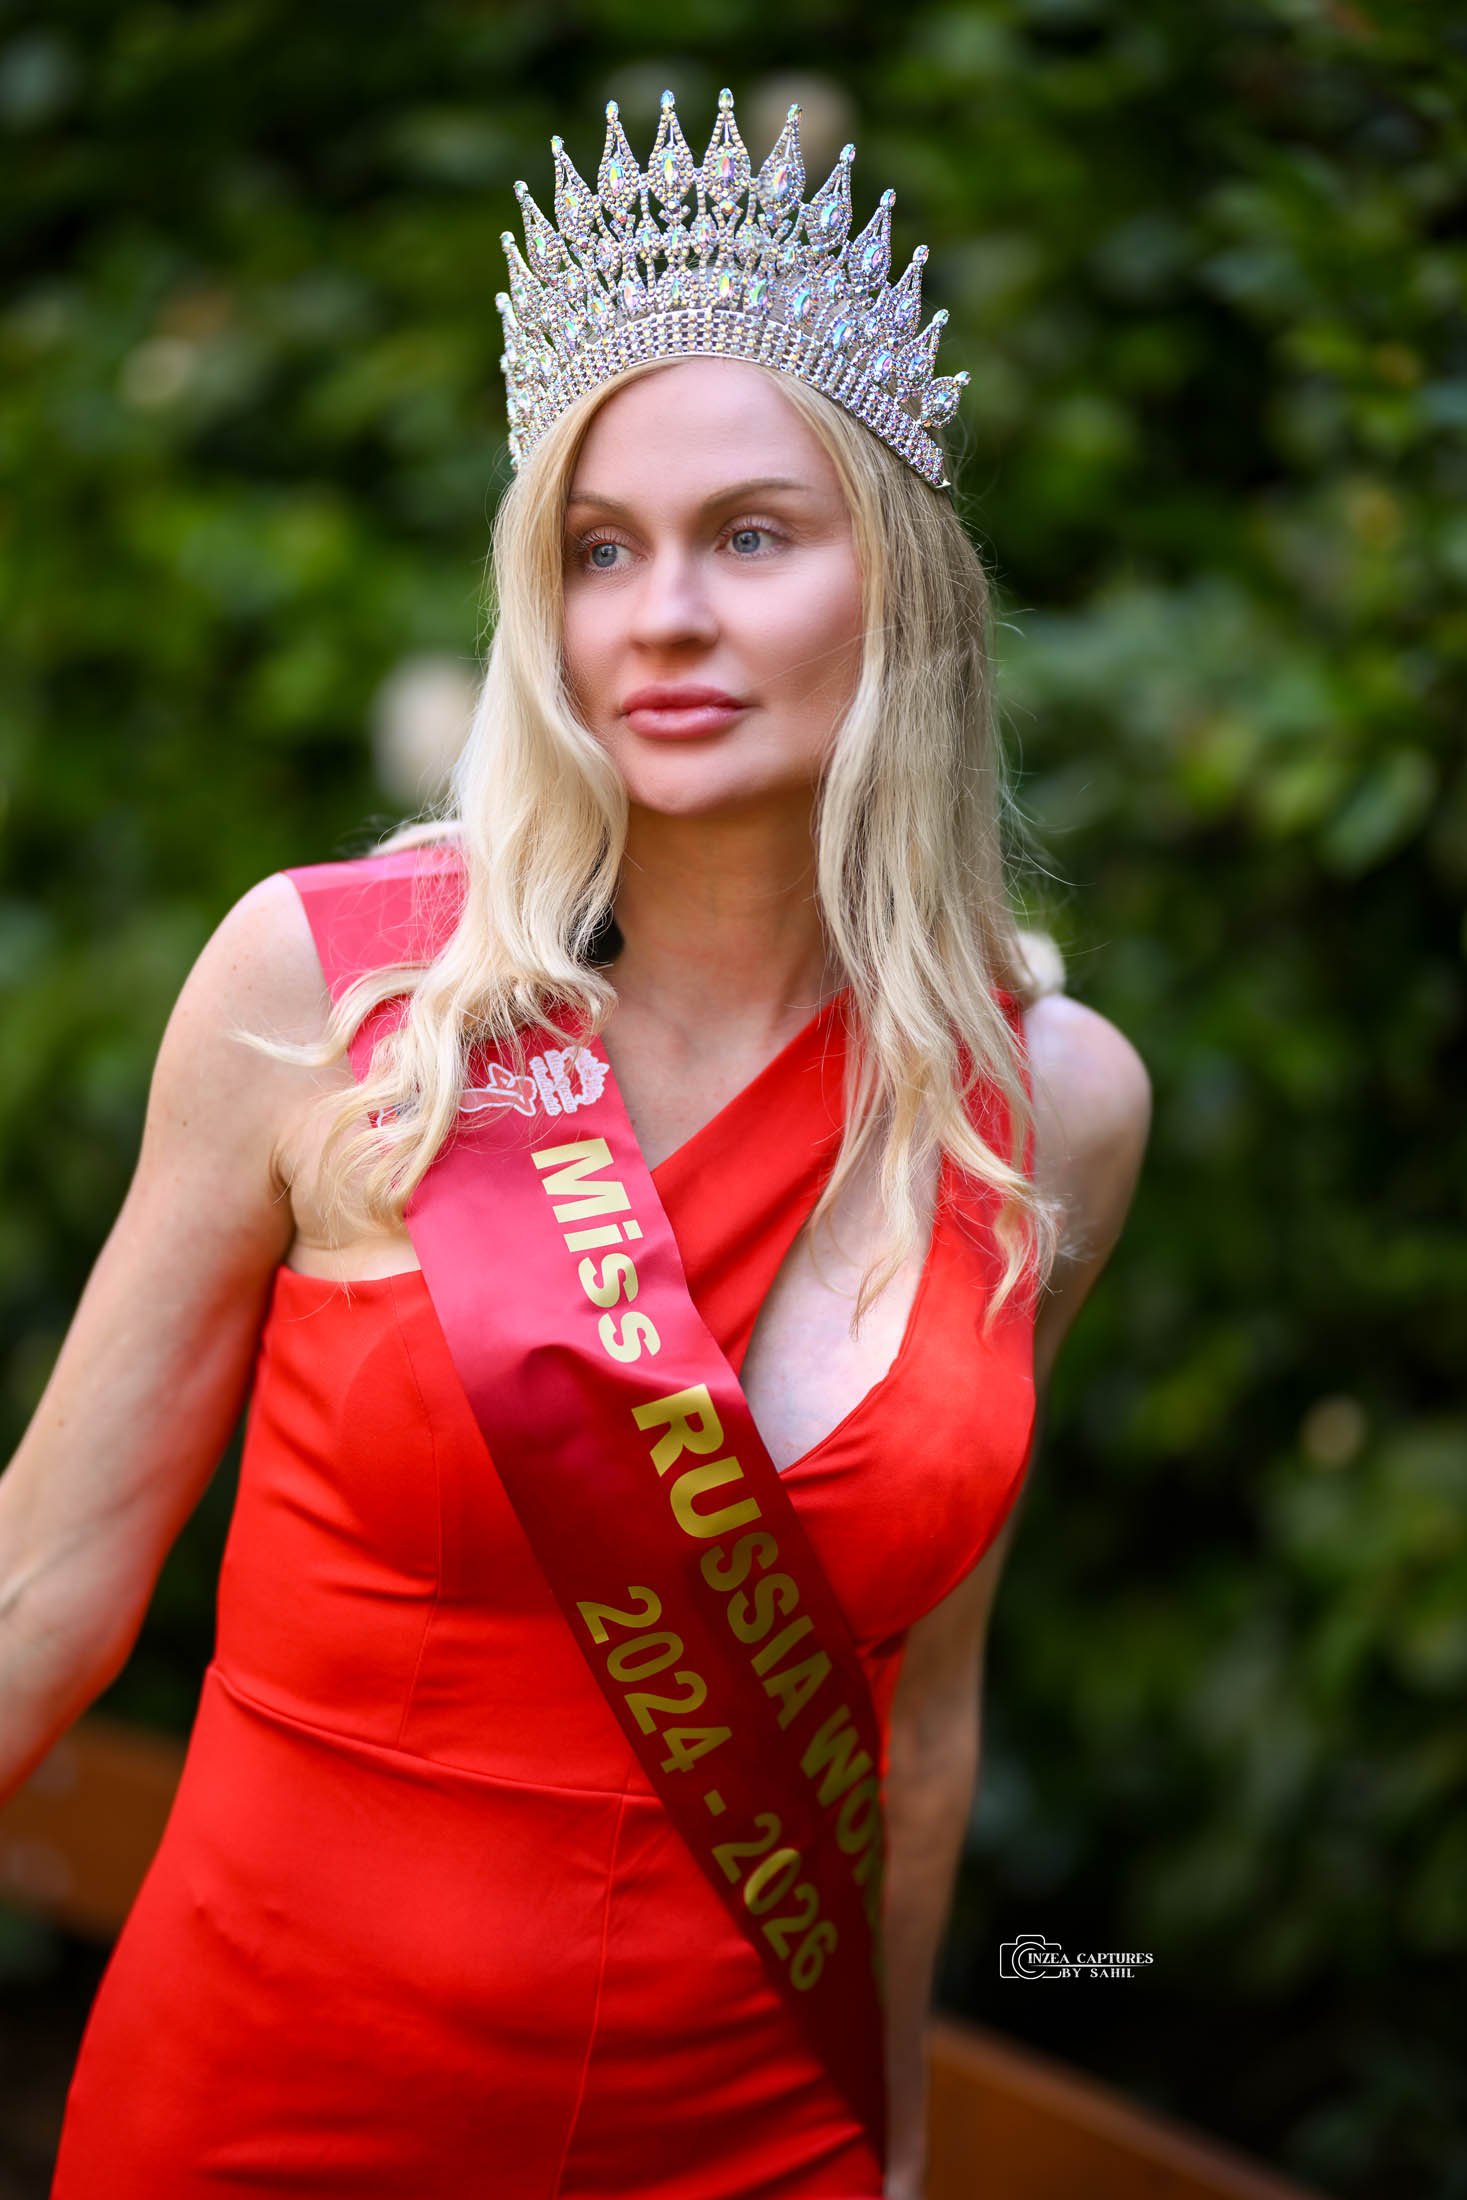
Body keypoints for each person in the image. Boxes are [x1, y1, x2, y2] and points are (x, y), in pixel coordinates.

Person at [1, 87, 1151, 2200]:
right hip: (260, 2123)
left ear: (900, 589)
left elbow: (909, 1728)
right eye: (598, 548)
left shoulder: (1050, 1105)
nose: (660, 614)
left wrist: (893, 2150)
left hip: (755, 2145)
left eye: (750, 536)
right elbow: (40, 1586)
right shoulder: (333, 994)